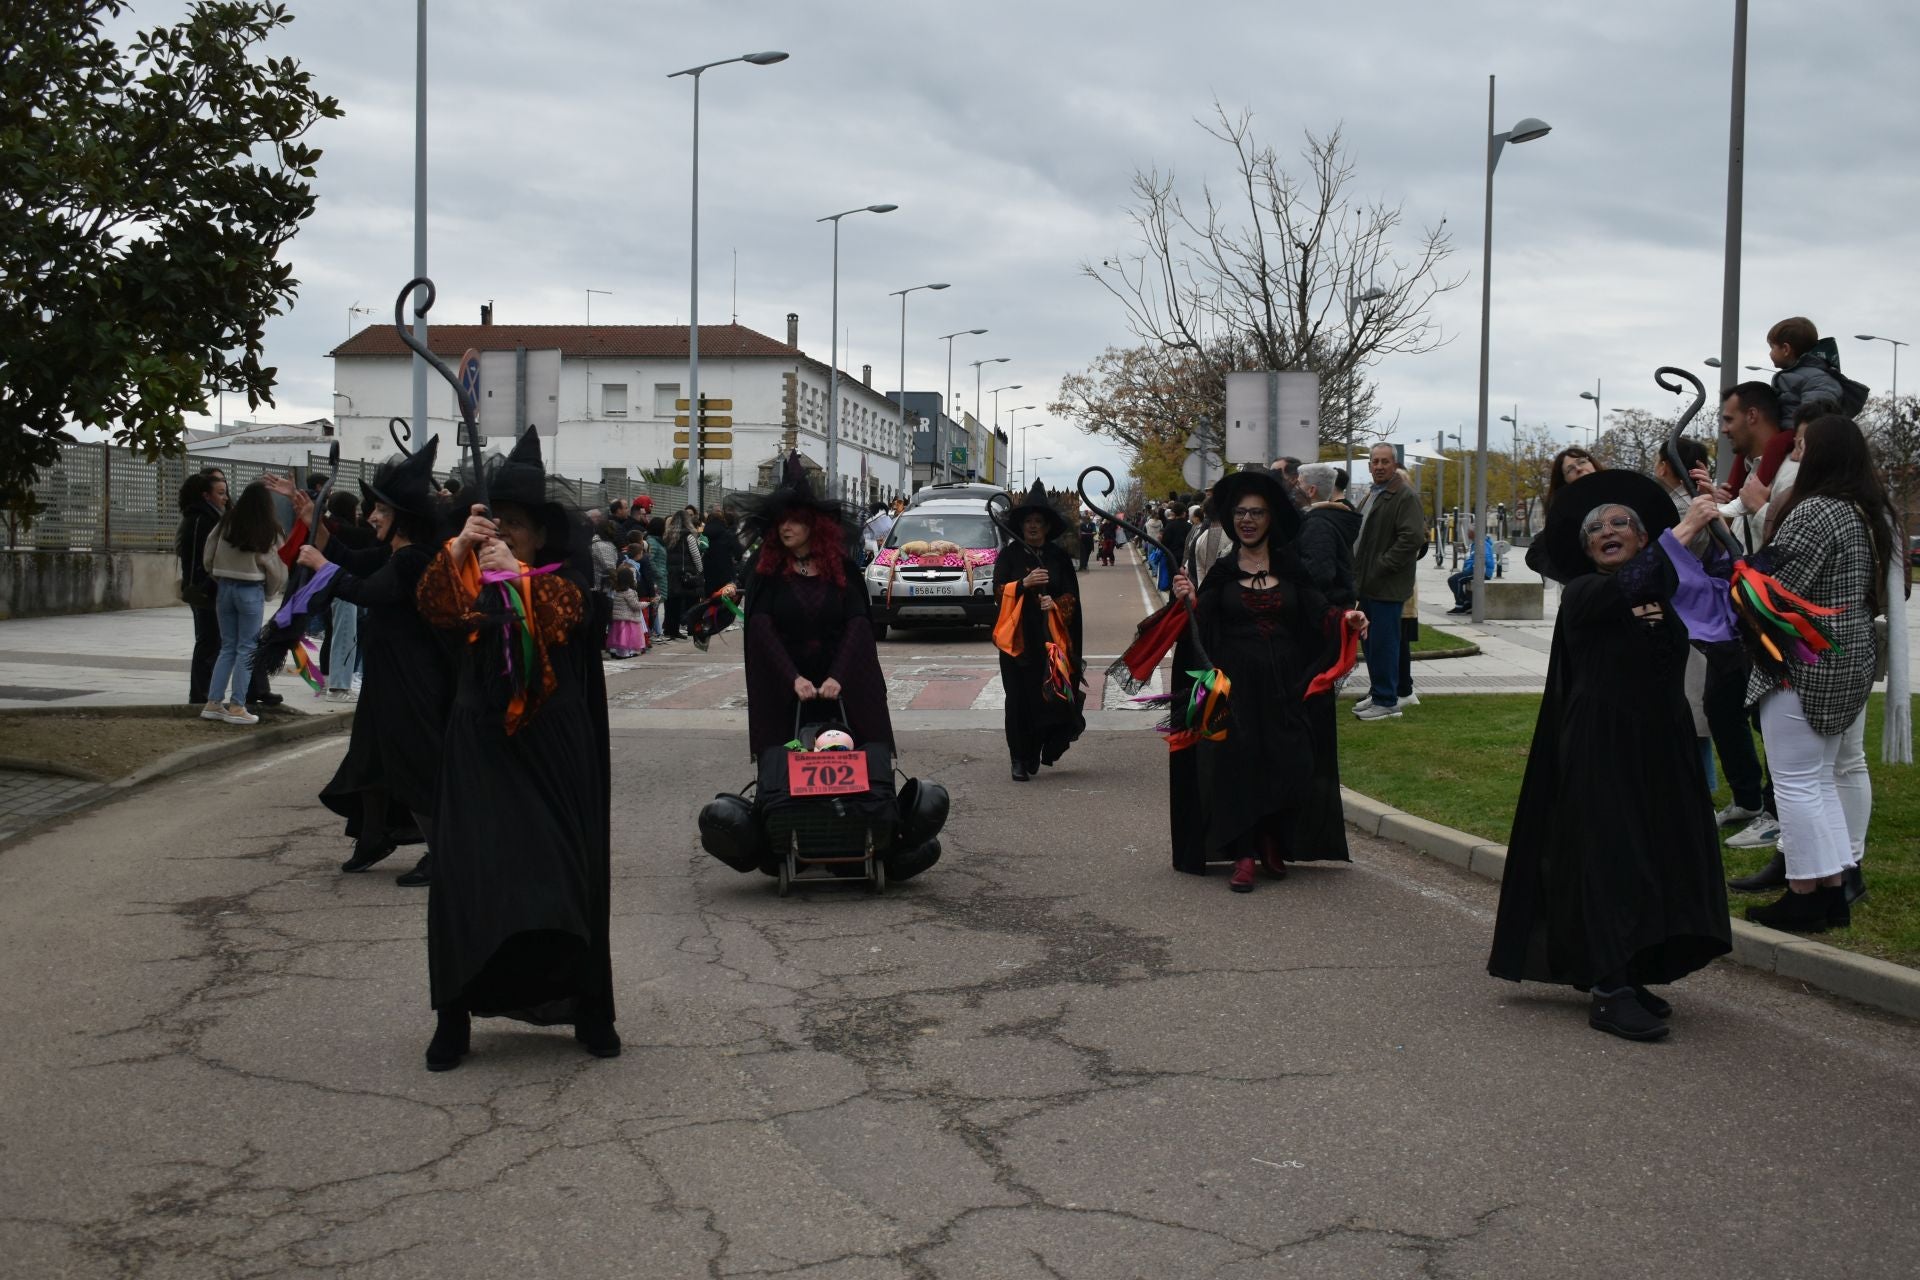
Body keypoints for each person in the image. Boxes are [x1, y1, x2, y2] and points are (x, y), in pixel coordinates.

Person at [1489, 469, 1731, 1041]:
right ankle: (1607, 988)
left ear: (1644, 538)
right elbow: (1634, 583)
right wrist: (1687, 525)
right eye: (1595, 528)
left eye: (1622, 522)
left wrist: (1722, 519)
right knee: (1612, 858)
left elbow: (1709, 587)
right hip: (1603, 746)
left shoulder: (1659, 591)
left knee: (1655, 856)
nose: (1607, 530)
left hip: (1662, 747)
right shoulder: (1586, 593)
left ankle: (1633, 965)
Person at [414, 426, 617, 1071]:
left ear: (540, 534)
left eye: (516, 526)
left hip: (550, 744)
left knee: (563, 874)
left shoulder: (566, 577)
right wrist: (456, 553)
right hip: (479, 741)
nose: (502, 534)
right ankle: (454, 1016)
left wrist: (520, 577)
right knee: (466, 873)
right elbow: (433, 611)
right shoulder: (465, 574)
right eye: (492, 523)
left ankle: (587, 1007)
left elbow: (573, 614)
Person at [1715, 416, 1893, 930]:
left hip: (1805, 662)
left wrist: (1737, 570)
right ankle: (1832, 888)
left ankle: (1806, 895)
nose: (1794, 455)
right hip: (1846, 658)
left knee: (1797, 783)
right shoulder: (1863, 511)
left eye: (1802, 448)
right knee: (1816, 780)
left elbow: (1775, 586)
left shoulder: (1816, 510)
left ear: (1821, 456)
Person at [1167, 468, 1366, 890]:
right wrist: (1187, 600)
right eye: (1240, 513)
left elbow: (1319, 612)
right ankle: (1243, 852)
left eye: (1256, 512)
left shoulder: (1291, 567)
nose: (1248, 520)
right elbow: (1200, 626)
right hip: (1235, 687)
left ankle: (1273, 837)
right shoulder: (1222, 571)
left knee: (1289, 760)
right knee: (1237, 765)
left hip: (1286, 685)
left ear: (1270, 517)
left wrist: (1346, 618)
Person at [305, 440, 451, 885]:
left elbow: (369, 591)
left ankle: (442, 851)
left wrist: (321, 568)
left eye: (381, 512)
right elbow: (354, 561)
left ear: (401, 517)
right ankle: (373, 835)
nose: (372, 517)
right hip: (388, 674)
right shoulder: (395, 553)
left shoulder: (415, 558)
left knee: (414, 760)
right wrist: (314, 528)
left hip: (413, 678)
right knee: (370, 756)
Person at [739, 454, 893, 759]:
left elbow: (858, 623)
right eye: (781, 521)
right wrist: (793, 678)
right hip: (789, 683)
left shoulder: (839, 568)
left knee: (852, 757)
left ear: (813, 525)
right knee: (787, 764)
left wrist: (838, 676)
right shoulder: (768, 572)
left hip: (840, 677)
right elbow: (760, 627)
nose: (786, 528)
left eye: (794, 520)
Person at [992, 481, 1086, 781]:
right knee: (1017, 699)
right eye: (1028, 522)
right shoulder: (1009, 556)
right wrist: (1023, 585)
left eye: (1038, 523)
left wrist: (1055, 605)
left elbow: (1072, 597)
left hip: (1049, 641)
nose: (1033, 527)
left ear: (1046, 527)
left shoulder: (1057, 558)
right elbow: (997, 592)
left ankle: (1040, 748)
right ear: (1020, 526)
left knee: (1047, 698)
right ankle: (1018, 758)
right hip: (1017, 642)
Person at [201, 481, 294, 726]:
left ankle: (213, 702)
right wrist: (270, 591)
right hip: (251, 589)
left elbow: (208, 554)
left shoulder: (226, 522)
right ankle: (237, 706)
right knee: (247, 649)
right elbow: (277, 566)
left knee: (227, 647)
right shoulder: (270, 529)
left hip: (225, 587)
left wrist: (217, 574)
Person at [1351, 444, 1424, 721]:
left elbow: (1411, 538)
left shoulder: (1403, 495)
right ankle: (1380, 694)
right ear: (1369, 465)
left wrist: (1382, 566)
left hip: (1386, 585)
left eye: (1385, 461)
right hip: (1369, 585)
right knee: (1371, 644)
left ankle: (1387, 701)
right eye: (1375, 461)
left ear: (1395, 464)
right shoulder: (1373, 493)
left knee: (1383, 642)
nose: (1379, 466)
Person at [175, 472, 226, 706]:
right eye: (221, 493)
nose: (225, 498)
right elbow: (197, 558)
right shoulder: (200, 520)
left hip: (213, 586)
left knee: (215, 640)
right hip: (205, 589)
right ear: (206, 495)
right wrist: (202, 585)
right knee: (208, 640)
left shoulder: (215, 516)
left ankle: (207, 691)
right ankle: (200, 694)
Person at [320, 491, 376, 701]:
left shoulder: (334, 526)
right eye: (355, 509)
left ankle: (333, 682)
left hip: (334, 586)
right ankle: (339, 687)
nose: (358, 514)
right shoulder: (342, 530)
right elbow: (365, 538)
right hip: (343, 587)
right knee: (345, 635)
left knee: (337, 634)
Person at [1767, 317, 1848, 438]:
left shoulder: (1818, 379)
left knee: (1774, 447)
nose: (1770, 353)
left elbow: (1815, 416)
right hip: (1790, 432)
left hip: (1797, 435)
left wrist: (1801, 440)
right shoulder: (1793, 376)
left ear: (1785, 349)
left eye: (1772, 347)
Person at [661, 509, 704, 639]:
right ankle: (691, 628)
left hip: (670, 573)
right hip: (686, 574)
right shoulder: (689, 536)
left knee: (672, 603)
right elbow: (696, 555)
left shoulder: (667, 536)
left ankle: (670, 629)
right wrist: (700, 570)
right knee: (690, 602)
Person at [1446, 532, 1495, 614]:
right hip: (1474, 570)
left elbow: (1485, 559)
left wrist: (1474, 567)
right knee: (1454, 579)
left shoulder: (1482, 544)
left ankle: (1461, 604)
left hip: (1481, 572)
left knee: (1454, 580)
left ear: (1474, 533)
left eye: (1469, 532)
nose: (1467, 534)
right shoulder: (1476, 543)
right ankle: (1466, 602)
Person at [607, 564, 647, 658]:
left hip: (618, 618)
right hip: (629, 618)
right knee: (629, 638)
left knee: (619, 637)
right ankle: (627, 652)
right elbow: (635, 605)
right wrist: (646, 603)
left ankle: (617, 651)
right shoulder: (629, 592)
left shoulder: (616, 590)